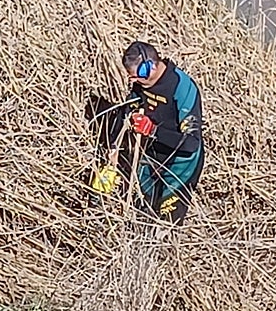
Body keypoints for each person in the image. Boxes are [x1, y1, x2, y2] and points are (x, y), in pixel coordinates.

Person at [84, 40, 204, 225]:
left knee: (166, 222)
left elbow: (191, 143)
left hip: (181, 165)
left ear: (151, 67)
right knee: (143, 214)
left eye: (138, 75)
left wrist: (152, 130)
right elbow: (126, 111)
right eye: (131, 77)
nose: (134, 81)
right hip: (151, 155)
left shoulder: (182, 87)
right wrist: (113, 149)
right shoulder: (140, 84)